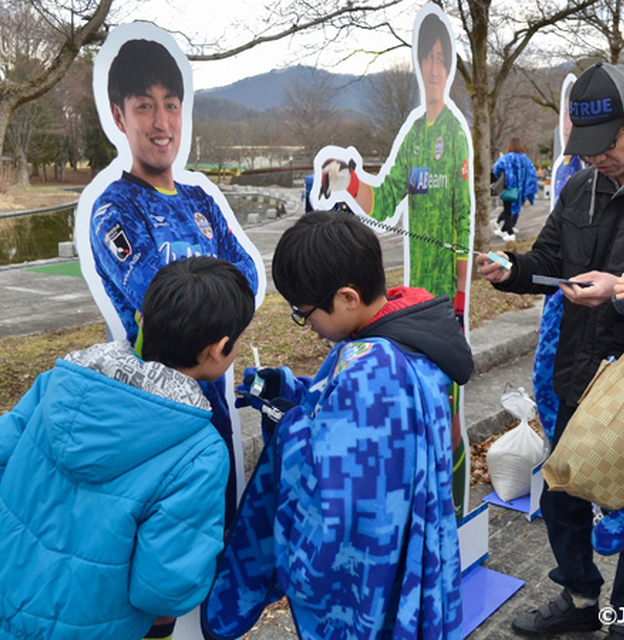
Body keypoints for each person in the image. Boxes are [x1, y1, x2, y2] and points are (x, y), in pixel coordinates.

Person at [202, 211, 474, 639]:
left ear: (348, 298)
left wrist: (286, 421)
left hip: (377, 587)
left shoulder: (375, 370)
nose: (306, 324)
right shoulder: (401, 337)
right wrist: (292, 388)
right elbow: (343, 409)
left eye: (305, 313)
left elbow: (332, 501)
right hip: (416, 553)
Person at [0, 256, 255, 640]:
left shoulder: (57, 382)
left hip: (4, 603)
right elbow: (164, 586)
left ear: (142, 319)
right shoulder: (198, 451)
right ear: (220, 348)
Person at [476, 61, 624, 639]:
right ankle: (580, 597)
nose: (595, 157)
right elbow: (547, 262)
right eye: (584, 146)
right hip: (575, 372)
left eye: (607, 143)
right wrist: (509, 269)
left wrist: (618, 290)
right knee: (561, 491)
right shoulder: (580, 187)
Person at [88, 37, 260, 530]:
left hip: (215, 415)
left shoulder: (202, 201)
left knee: (220, 535)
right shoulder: (114, 211)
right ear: (120, 117)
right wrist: (213, 301)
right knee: (170, 558)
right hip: (154, 421)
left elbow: (245, 277)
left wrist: (210, 302)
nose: (161, 122)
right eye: (145, 106)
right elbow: (163, 305)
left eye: (171, 105)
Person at [316, 9, 473, 520]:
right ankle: (422, 501)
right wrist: (346, 180)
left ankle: (451, 503)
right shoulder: (412, 135)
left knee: (448, 406)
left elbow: (466, 219)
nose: (433, 65)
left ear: (449, 65)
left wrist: (463, 300)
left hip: (447, 295)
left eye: (441, 56)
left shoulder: (455, 132)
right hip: (411, 296)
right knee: (421, 400)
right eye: (426, 56)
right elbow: (384, 203)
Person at [491, 137, 539, 241]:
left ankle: (510, 232)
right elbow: (532, 173)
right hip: (520, 190)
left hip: (509, 189)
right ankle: (504, 229)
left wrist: (501, 175)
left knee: (507, 210)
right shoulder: (525, 159)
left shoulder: (507, 158)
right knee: (514, 209)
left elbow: (496, 168)